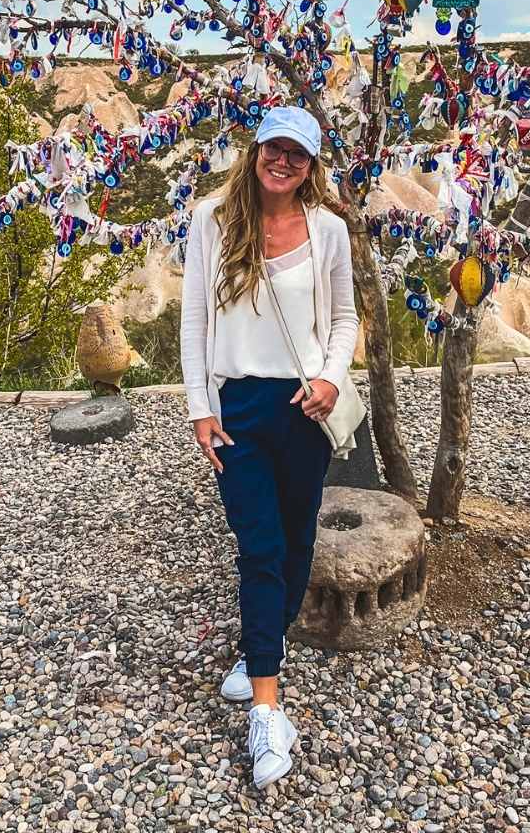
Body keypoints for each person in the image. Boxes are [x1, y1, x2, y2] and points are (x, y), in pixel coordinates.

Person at [180, 105, 359, 789]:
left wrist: (329, 378)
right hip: (239, 408)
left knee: (295, 541)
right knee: (258, 546)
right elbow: (194, 318)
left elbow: (344, 319)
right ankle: (266, 706)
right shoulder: (211, 220)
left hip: (305, 406)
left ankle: (264, 642)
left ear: (311, 165)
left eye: (298, 154)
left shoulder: (329, 231)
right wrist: (200, 408)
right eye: (273, 149)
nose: (283, 161)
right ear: (254, 151)